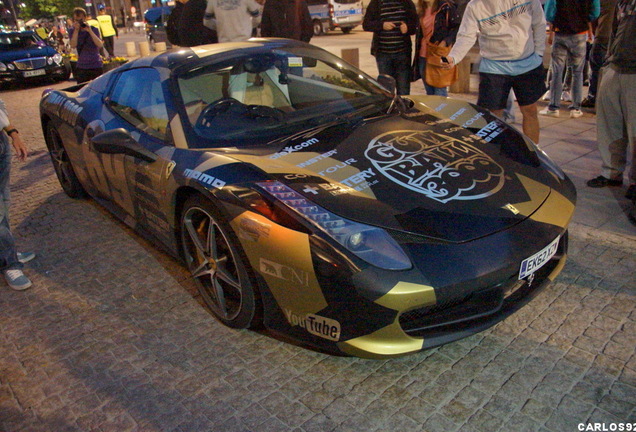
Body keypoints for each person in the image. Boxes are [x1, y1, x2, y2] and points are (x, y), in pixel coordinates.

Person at [444, 0, 547, 144]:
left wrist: (539, 54)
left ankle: (534, 155)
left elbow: (539, 23)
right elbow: (466, 36)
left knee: (529, 110)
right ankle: (494, 156)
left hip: (527, 63)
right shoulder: (475, 6)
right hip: (494, 67)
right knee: (492, 117)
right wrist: (454, 57)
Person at [586, 0, 636, 201]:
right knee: (609, 125)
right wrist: (608, 60)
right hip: (615, 67)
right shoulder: (624, 2)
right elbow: (614, 28)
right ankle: (611, 173)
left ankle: (634, 181)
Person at [539, 0, 600, 118]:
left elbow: (549, 11)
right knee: (577, 71)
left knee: (557, 70)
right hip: (580, 33)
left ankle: (553, 107)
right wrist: (585, 18)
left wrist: (554, 21)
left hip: (561, 31)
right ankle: (576, 108)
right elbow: (595, 11)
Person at [0, 99, 35, 291]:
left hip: (1, 142)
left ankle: (7, 251)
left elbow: (0, 107)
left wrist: (13, 134)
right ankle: (9, 263)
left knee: (4, 201)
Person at [363, 0, 418, 95]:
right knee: (386, 90)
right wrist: (382, 25)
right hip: (383, 54)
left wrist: (408, 28)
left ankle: (402, 109)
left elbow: (416, 25)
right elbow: (366, 24)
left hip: (403, 53)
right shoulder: (376, 3)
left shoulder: (406, 3)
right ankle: (389, 108)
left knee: (403, 88)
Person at [413, 0, 461, 96]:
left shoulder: (446, 7)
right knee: (429, 91)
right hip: (423, 54)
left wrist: (446, 41)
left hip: (438, 53)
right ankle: (433, 110)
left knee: (440, 90)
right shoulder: (421, 9)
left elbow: (457, 28)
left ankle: (441, 111)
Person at [581, 0, 617, 108]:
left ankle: (593, 97)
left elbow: (594, 15)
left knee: (596, 66)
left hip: (603, 35)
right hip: (616, 38)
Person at [69, 7, 104, 84]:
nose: (79, 22)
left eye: (80, 20)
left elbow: (99, 44)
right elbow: (73, 45)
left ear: (85, 18)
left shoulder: (93, 29)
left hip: (95, 64)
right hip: (82, 66)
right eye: (76, 20)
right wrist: (76, 31)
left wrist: (90, 31)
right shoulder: (72, 30)